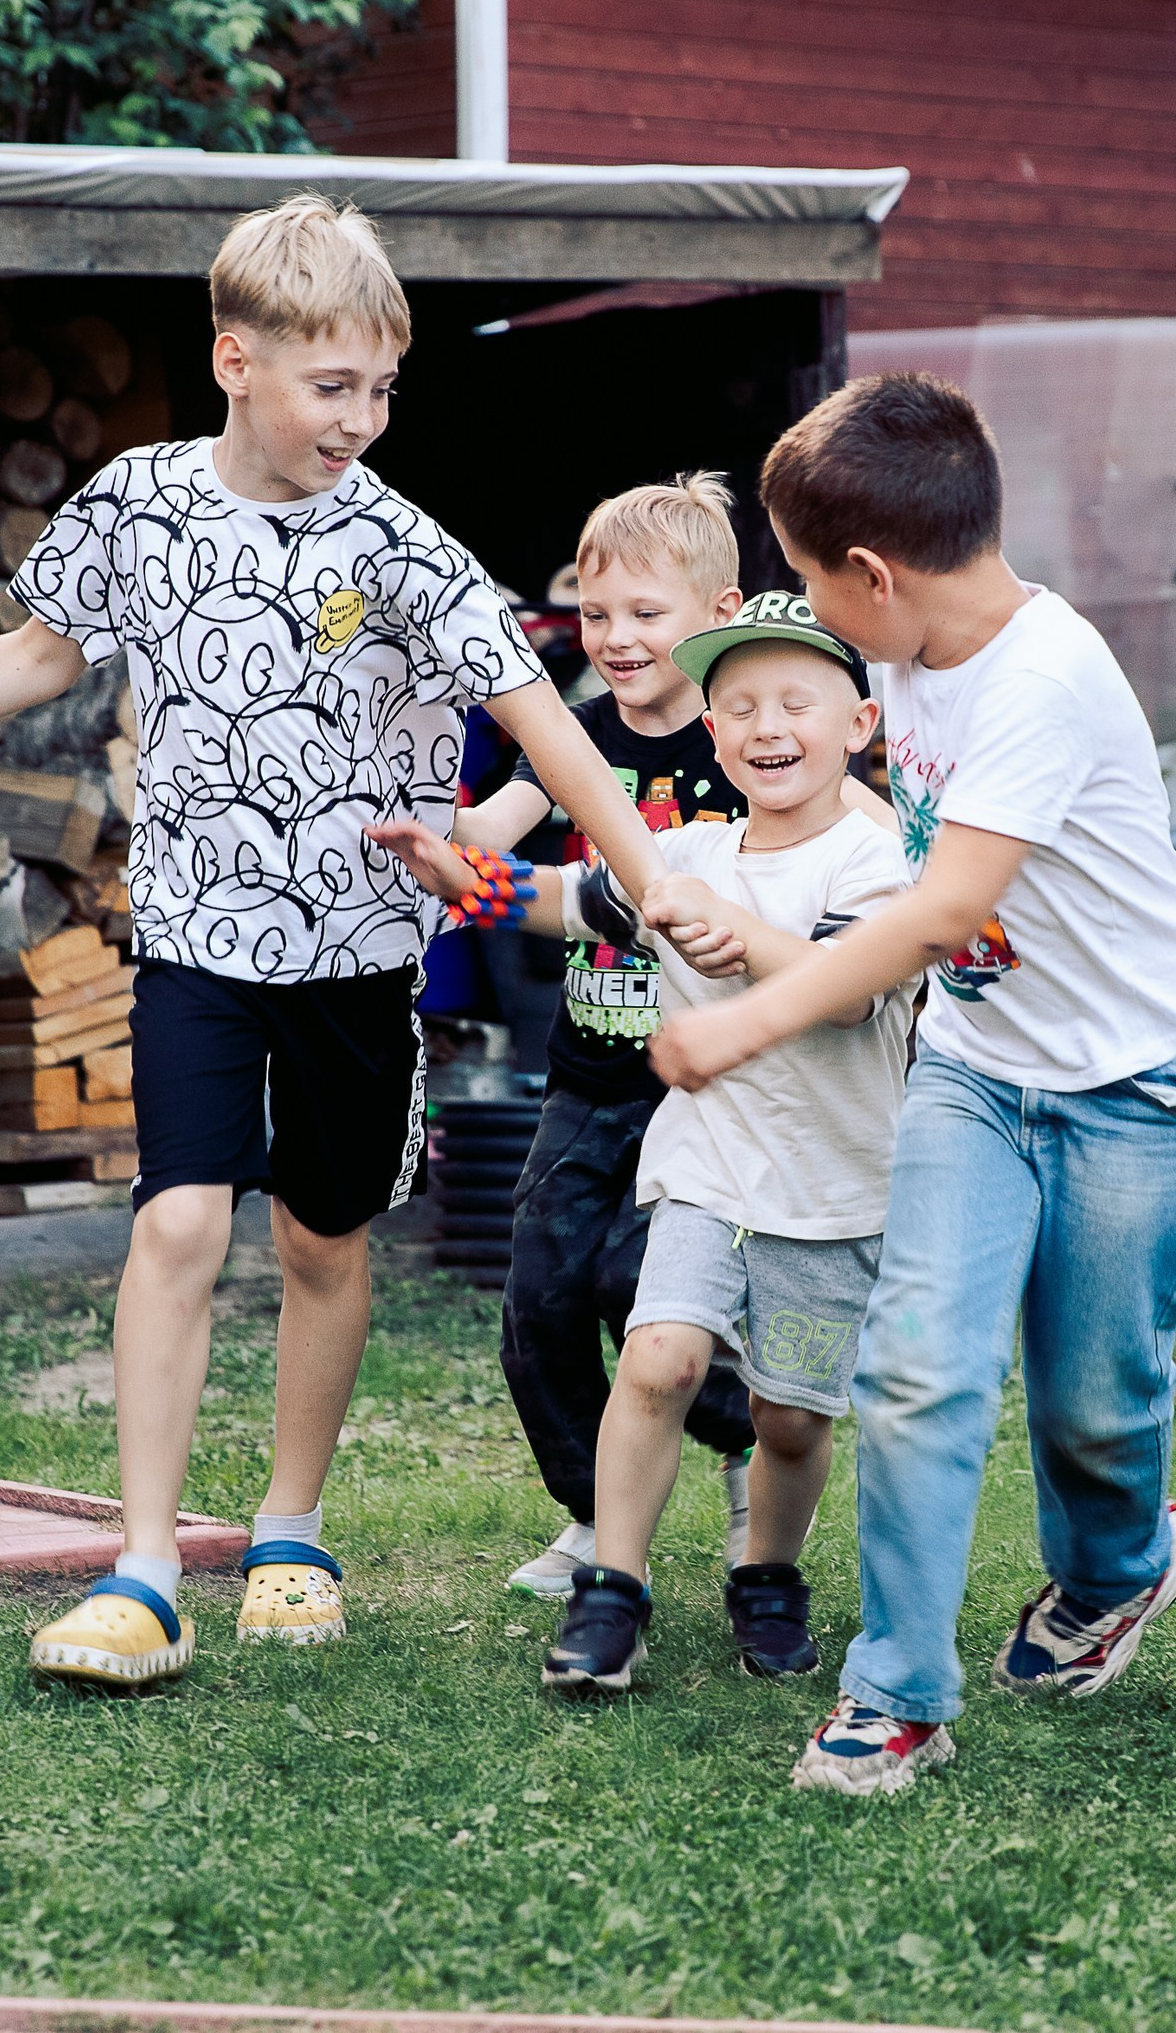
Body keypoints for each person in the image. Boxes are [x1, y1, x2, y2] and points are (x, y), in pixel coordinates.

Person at [0, 192, 667, 1686]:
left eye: (381, 387)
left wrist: (650, 874)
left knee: (322, 1234)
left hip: (362, 953)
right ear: (236, 360)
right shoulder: (139, 504)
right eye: (332, 387)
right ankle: (145, 1564)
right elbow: (42, 651)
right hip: (192, 938)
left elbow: (541, 723)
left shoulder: (407, 545)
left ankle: (290, 1528)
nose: (360, 418)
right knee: (178, 1217)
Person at [644, 373, 1176, 1797]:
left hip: (1130, 1088)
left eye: (807, 584)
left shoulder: (1044, 679)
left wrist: (750, 1018)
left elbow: (932, 916)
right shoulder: (903, 653)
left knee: (1096, 1403)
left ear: (876, 575)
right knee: (915, 1373)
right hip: (974, 1075)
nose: (808, 611)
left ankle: (1121, 1568)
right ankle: (896, 1694)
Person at [381, 591, 910, 1688]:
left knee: (791, 1414)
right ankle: (610, 1590)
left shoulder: (877, 866)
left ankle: (766, 1575)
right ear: (711, 733)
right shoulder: (685, 859)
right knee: (661, 1358)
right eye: (742, 706)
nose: (768, 727)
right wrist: (461, 878)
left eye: (796, 703)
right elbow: (567, 898)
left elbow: (851, 992)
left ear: (858, 726)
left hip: (834, 1189)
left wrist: (746, 938)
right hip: (705, 1168)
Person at [449, 476, 764, 1600]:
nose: (615, 638)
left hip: (702, 1085)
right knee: (536, 1298)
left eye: (645, 613)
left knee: (641, 1292)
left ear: (716, 609)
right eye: (595, 614)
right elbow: (492, 830)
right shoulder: (575, 736)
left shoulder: (745, 742)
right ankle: (593, 1512)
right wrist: (436, 829)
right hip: (583, 1080)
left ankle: (745, 1432)